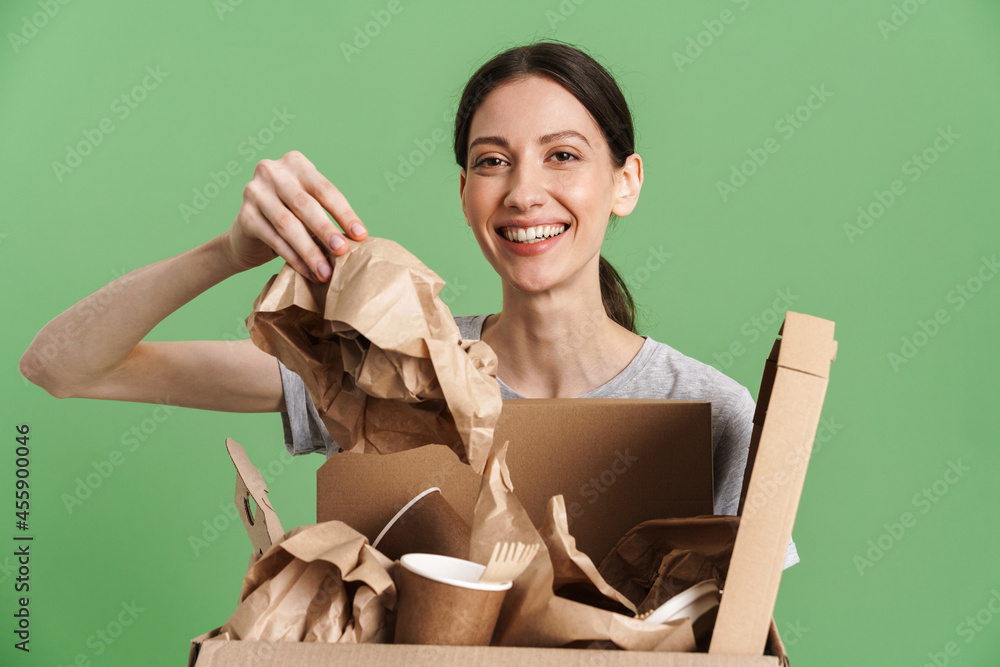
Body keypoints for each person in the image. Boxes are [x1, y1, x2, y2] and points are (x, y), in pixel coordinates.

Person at [20, 41, 796, 566]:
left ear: (624, 181)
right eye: (493, 161)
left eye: (564, 155)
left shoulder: (709, 415)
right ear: (466, 194)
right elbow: (65, 366)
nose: (525, 190)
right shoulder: (383, 370)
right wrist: (228, 254)